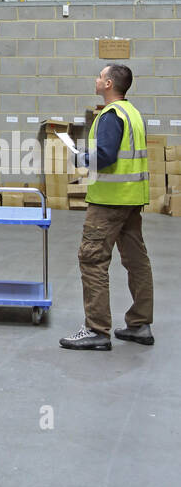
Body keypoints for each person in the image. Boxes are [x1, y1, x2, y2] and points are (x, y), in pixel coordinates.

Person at [59, 63, 154, 351]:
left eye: (100, 76)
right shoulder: (133, 112)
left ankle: (96, 330)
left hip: (109, 201)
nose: (96, 79)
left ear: (110, 83)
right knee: (136, 260)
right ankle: (140, 324)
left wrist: (80, 158)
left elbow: (107, 156)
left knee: (92, 260)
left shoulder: (112, 115)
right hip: (131, 198)